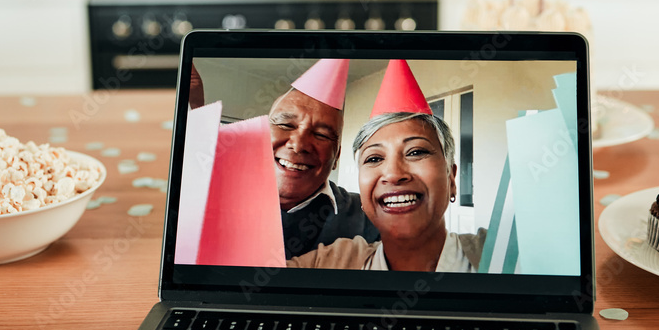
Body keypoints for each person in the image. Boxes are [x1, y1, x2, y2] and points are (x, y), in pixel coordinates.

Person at [287, 62, 488, 272]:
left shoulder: (501, 251)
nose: (393, 174)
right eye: (373, 158)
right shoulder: (329, 262)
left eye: (416, 152)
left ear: (452, 179)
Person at [190, 59, 379, 259]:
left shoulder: (369, 218)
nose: (298, 145)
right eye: (285, 125)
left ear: (336, 157)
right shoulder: (208, 195)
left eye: (322, 135)